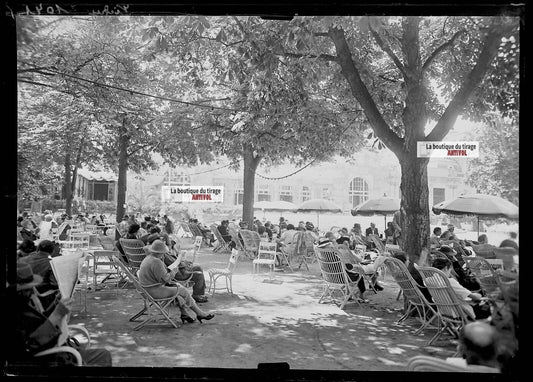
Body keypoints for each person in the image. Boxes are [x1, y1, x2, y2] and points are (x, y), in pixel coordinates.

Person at [8, 262, 112, 366]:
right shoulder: (17, 313)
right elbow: (33, 344)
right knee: (103, 356)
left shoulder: (22, 303)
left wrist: (55, 304)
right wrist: (57, 314)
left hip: (59, 349)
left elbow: (42, 320)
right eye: (27, 289)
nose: (31, 292)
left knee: (104, 354)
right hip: (52, 358)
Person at [138, 240, 214, 323]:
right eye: (163, 253)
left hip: (146, 290)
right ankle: (199, 313)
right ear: (160, 252)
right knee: (182, 290)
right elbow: (166, 279)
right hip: (154, 291)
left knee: (178, 290)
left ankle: (185, 313)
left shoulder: (148, 259)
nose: (164, 254)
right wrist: (173, 272)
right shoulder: (156, 262)